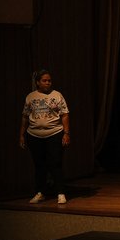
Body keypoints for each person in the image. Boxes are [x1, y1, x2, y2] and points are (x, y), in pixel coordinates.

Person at [19, 69, 71, 204]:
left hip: (54, 134)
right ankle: (40, 192)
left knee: (55, 163)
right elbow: (25, 117)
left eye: (49, 80)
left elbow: (64, 114)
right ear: (38, 82)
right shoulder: (30, 97)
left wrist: (66, 133)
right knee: (39, 165)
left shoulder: (57, 95)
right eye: (44, 80)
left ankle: (60, 192)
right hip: (34, 135)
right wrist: (22, 135)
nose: (48, 83)